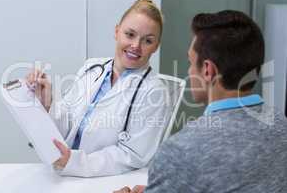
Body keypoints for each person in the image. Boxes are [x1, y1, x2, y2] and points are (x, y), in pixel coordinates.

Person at [114, 10, 287, 193]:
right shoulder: (281, 125)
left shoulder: (181, 151)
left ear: (207, 71)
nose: (189, 72)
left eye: (190, 62)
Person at [26, 0, 172, 177]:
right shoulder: (92, 68)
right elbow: (68, 124)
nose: (136, 46)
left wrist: (74, 162)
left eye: (147, 41)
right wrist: (48, 103)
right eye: (130, 34)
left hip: (104, 180)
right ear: (117, 31)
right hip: (61, 173)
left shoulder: (154, 92)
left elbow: (132, 156)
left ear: (156, 46)